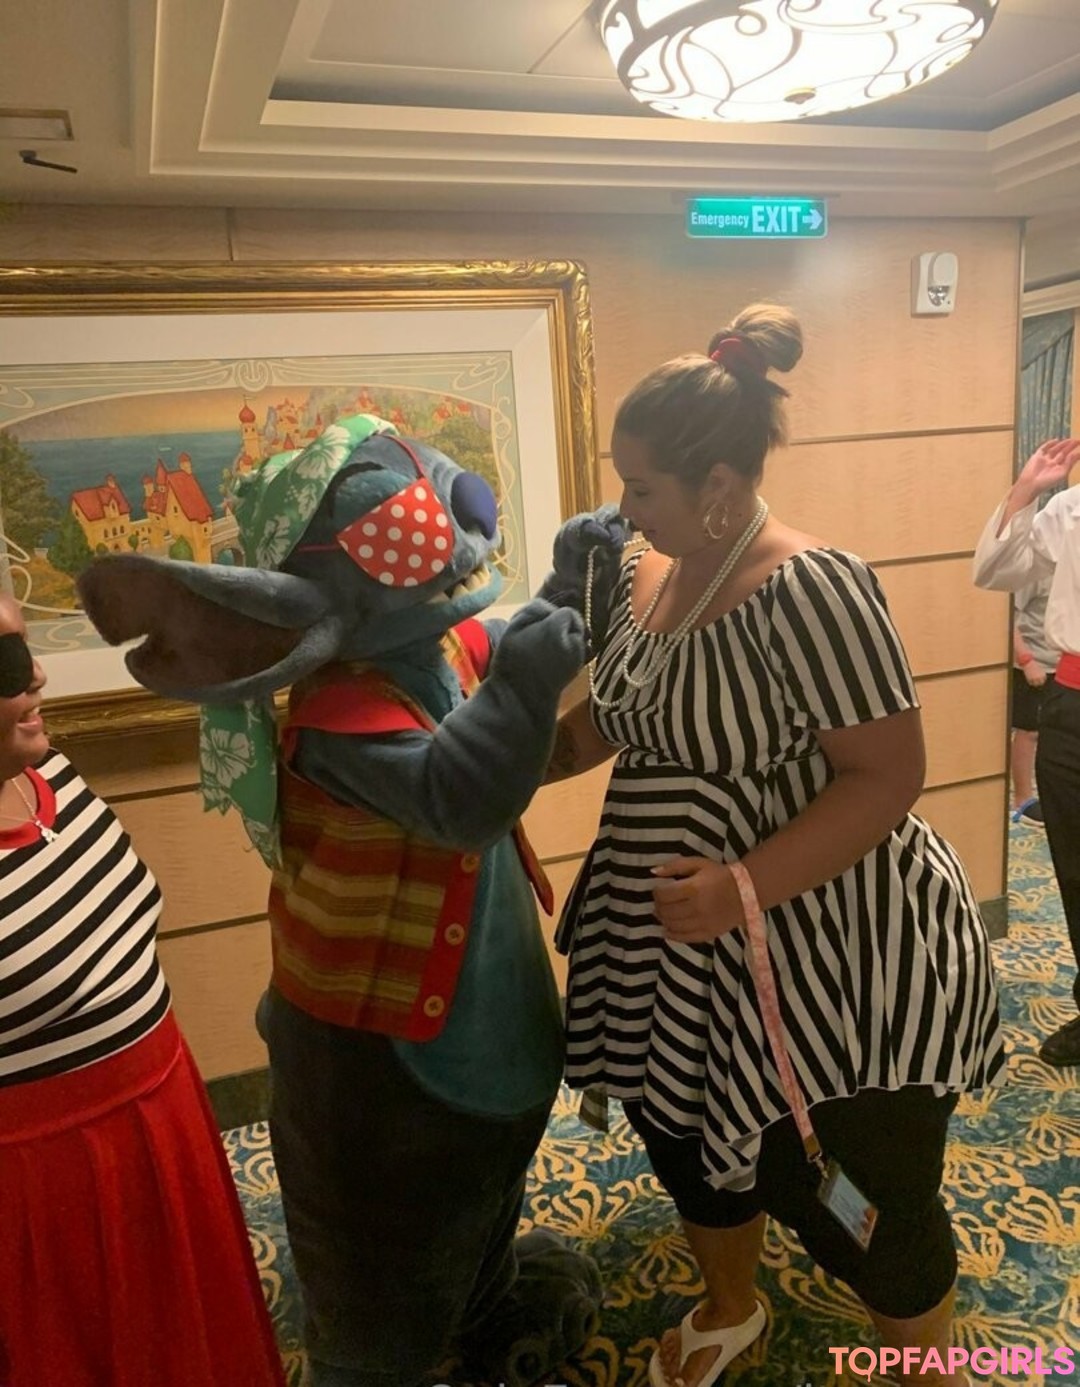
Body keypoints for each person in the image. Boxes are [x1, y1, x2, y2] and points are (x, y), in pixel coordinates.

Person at [547, 305, 1006, 1387]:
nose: (622, 508)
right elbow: (621, 714)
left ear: (717, 483)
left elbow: (888, 775)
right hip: (673, 944)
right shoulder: (643, 572)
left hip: (829, 948)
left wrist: (742, 886)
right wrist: (498, 762)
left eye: (642, 487)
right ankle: (731, 1304)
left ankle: (919, 1363)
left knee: (864, 1181)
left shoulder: (813, 586)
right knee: (685, 1134)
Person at [0, 593, 286, 1387]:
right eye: (7, 661)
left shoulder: (47, 773)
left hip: (165, 1121)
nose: (39, 675)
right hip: (49, 1188)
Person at [973, 436, 1080, 1066]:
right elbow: (995, 571)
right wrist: (1026, 491)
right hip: (1071, 706)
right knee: (1074, 866)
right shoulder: (1068, 510)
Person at [1009, 576, 1055, 825]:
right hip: (1034, 664)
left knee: (1059, 731)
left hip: (1065, 663)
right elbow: (1007, 618)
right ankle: (1022, 800)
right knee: (1030, 731)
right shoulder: (1037, 571)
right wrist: (1027, 660)